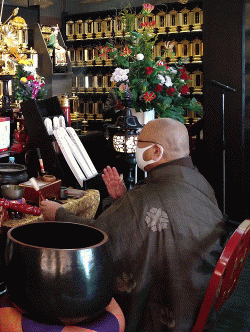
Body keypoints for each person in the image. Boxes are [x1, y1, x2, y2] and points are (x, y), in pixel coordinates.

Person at [40, 118, 226, 332]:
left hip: (173, 307)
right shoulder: (198, 180)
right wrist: (124, 200)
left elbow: (100, 237)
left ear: (156, 151)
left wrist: (59, 214)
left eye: (139, 143)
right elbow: (155, 219)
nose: (136, 148)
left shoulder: (146, 198)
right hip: (198, 287)